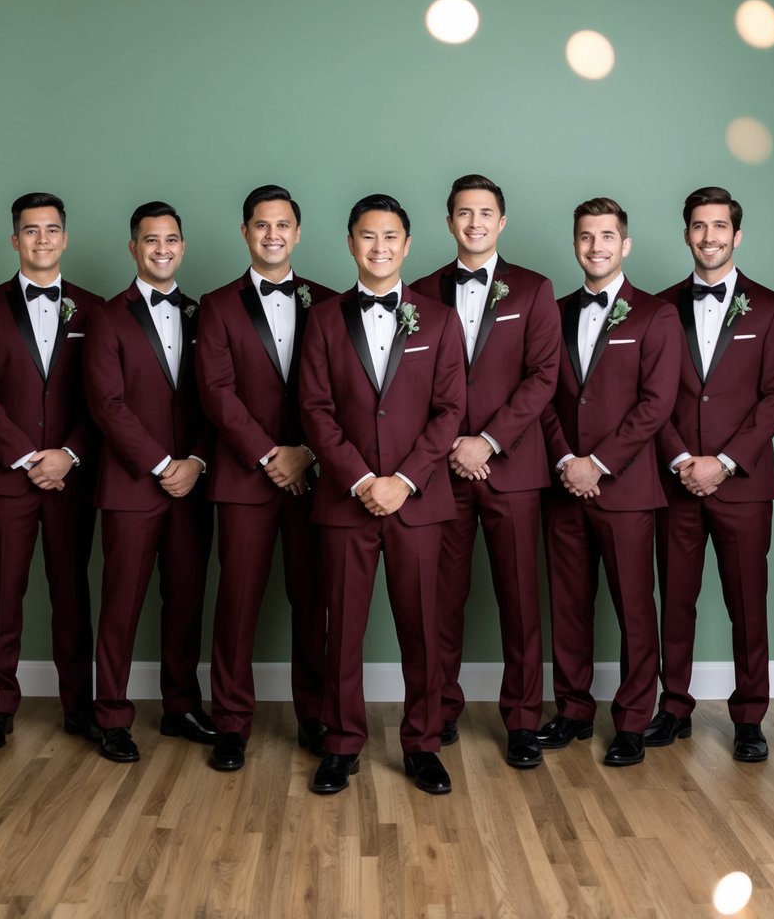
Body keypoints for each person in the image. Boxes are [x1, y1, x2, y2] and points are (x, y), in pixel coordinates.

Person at [299, 194, 465, 795]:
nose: (379, 247)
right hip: (348, 500)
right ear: (350, 244)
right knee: (341, 629)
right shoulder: (321, 319)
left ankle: (422, 743)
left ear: (408, 244)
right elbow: (314, 411)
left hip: (418, 501)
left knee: (423, 627)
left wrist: (406, 480)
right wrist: (364, 480)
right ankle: (342, 744)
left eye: (390, 236)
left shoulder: (439, 320)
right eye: (367, 237)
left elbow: (450, 411)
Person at [411, 174, 559, 768]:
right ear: (449, 222)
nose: (475, 222)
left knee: (520, 600)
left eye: (486, 213)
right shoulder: (419, 290)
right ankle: (440, 708)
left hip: (513, 468)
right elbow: (412, 384)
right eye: (464, 213)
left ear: (502, 222)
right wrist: (449, 445)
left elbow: (543, 377)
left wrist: (490, 441)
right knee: (439, 598)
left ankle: (523, 721)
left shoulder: (534, 289)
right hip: (440, 470)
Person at [647, 186, 774, 763]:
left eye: (720, 227)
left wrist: (726, 462)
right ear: (686, 233)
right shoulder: (659, 309)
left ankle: (750, 715)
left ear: (737, 235)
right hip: (674, 481)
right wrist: (683, 460)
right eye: (699, 226)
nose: (709, 237)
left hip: (744, 486)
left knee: (746, 601)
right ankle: (675, 706)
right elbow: (651, 397)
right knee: (675, 599)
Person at [539, 197, 681, 766]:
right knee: (568, 605)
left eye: (606, 236)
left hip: (623, 488)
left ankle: (631, 720)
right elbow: (542, 394)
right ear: (575, 244)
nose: (595, 246)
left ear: (625, 245)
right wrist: (565, 461)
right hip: (563, 485)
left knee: (633, 608)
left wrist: (596, 464)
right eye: (585, 236)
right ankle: (573, 710)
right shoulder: (552, 310)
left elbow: (655, 404)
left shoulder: (654, 314)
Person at [196, 184, 334, 772]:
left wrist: (305, 453)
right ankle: (231, 723)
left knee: (314, 600)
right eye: (261, 225)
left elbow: (340, 395)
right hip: (244, 479)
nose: (272, 234)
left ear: (298, 233)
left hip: (315, 477)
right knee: (237, 603)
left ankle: (315, 716)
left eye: (283, 225)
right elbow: (217, 394)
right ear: (246, 232)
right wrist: (269, 456)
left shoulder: (329, 303)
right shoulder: (217, 304)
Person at [0, 192, 102, 751]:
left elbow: (104, 398)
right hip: (6, 476)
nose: (42, 239)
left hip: (72, 475)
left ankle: (79, 707)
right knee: (6, 591)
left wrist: (66, 454)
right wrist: (27, 456)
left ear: (65, 237)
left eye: (51, 230)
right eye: (30, 230)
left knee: (72, 591)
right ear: (15, 239)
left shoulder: (95, 310)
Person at [83, 201, 214, 763]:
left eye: (172, 239)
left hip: (194, 485)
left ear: (183, 246)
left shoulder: (203, 314)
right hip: (134, 486)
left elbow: (217, 401)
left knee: (185, 599)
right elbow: (107, 406)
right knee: (122, 604)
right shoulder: (108, 317)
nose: (162, 248)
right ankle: (110, 714)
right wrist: (164, 466)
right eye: (150, 240)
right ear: (133, 248)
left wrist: (198, 463)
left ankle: (180, 705)